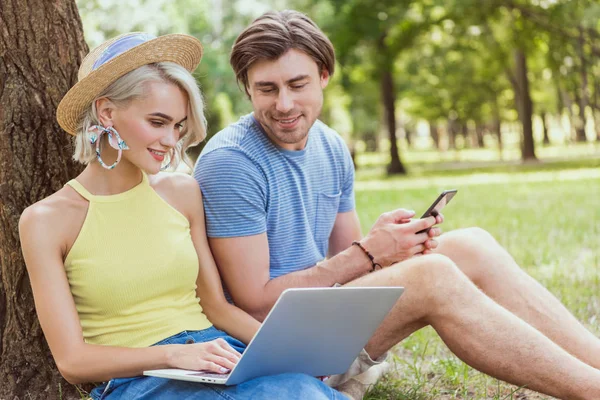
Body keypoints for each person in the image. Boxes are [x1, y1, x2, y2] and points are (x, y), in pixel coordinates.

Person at [193, 10, 600, 400]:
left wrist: (385, 249)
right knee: (432, 275)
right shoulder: (232, 163)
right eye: (267, 89)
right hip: (273, 346)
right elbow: (256, 302)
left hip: (322, 321)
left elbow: (347, 267)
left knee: (472, 244)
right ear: (247, 87)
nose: (283, 104)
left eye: (297, 85)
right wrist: (370, 252)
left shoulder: (330, 146)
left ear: (323, 77)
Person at [18, 32, 346, 400]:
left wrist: (291, 352)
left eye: (178, 125)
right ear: (107, 112)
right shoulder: (45, 220)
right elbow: (73, 361)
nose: (172, 141)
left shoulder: (182, 193)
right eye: (158, 122)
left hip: (219, 355)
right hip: (141, 381)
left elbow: (216, 307)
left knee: (303, 392)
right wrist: (175, 355)